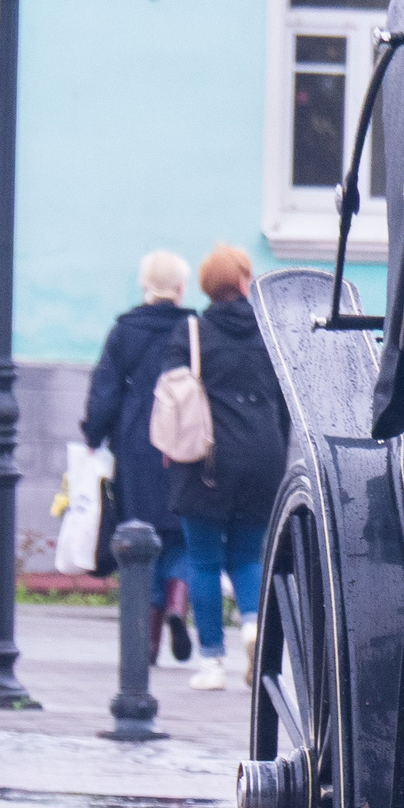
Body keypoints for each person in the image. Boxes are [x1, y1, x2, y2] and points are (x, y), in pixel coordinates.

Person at [169, 245, 290, 692]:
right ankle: (254, 627)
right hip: (264, 458)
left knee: (203, 561)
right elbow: (285, 404)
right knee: (246, 556)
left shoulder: (192, 334)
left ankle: (212, 663)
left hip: (207, 461)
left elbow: (170, 397)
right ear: (243, 282)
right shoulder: (269, 333)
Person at [82, 249, 194, 663]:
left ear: (145, 285)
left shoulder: (124, 330)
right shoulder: (193, 327)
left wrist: (94, 433)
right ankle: (178, 607)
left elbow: (106, 389)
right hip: (182, 442)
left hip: (135, 441)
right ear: (181, 288)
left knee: (138, 535)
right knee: (181, 533)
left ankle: (146, 646)